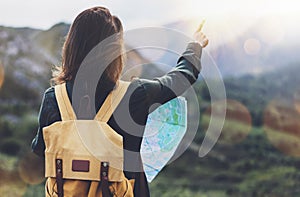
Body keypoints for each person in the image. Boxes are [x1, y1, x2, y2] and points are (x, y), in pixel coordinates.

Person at [31, 6, 208, 197]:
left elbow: (40, 149)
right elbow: (180, 78)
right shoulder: (134, 95)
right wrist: (195, 46)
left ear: (71, 47)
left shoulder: (53, 98)